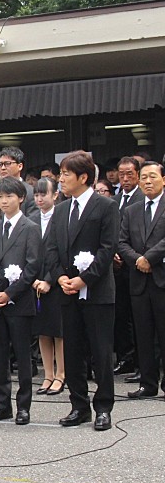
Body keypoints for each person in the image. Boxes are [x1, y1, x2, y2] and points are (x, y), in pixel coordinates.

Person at [46, 150, 118, 431]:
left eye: (66, 174)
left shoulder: (105, 206)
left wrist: (85, 279)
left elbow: (107, 248)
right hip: (67, 291)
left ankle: (103, 407)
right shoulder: (62, 208)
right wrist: (60, 277)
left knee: (100, 350)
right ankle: (78, 405)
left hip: (97, 291)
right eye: (60, 173)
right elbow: (51, 247)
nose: (61, 179)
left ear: (83, 177)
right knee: (72, 350)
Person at [0, 177, 42, 425]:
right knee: (0, 354)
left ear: (21, 199)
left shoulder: (30, 227)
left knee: (23, 355)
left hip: (19, 301)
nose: (4, 201)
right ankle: (2, 403)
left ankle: (23, 405)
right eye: (1, 197)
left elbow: (32, 267)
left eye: (9, 197)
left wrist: (10, 293)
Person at [117, 161, 165, 399]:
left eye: (152, 177)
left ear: (163, 180)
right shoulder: (131, 210)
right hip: (138, 280)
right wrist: (137, 260)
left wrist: (150, 258)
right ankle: (147, 383)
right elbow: (121, 241)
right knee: (143, 334)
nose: (147, 181)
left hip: (161, 278)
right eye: (144, 177)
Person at [30, 178, 65, 396]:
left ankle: (61, 374)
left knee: (58, 331)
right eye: (37, 195)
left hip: (57, 283)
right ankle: (48, 375)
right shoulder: (31, 219)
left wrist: (49, 280)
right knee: (42, 331)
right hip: (35, 283)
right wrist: (34, 279)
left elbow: (61, 253)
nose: (40, 198)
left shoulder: (61, 217)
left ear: (55, 195)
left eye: (44, 194)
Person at [112, 157, 143, 378]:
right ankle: (126, 357)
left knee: (138, 316)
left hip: (136, 264)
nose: (124, 179)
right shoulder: (114, 200)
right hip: (116, 266)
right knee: (120, 314)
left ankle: (142, 362)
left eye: (129, 174)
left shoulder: (143, 198)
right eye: (121, 174)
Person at [0, 147, 39, 217]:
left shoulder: (30, 192)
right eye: (0, 164)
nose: (3, 168)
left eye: (7, 163)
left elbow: (33, 221)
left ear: (20, 166)